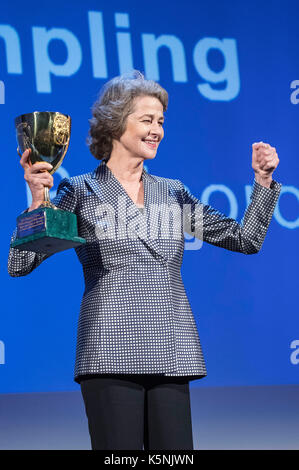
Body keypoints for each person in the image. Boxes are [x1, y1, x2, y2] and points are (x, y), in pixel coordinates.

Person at [8, 70, 281, 450]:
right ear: (117, 124)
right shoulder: (82, 190)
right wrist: (38, 204)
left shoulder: (172, 192)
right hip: (109, 349)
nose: (157, 130)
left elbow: (245, 239)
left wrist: (263, 183)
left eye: (161, 122)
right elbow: (19, 265)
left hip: (172, 347)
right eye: (147, 120)